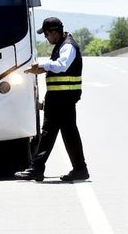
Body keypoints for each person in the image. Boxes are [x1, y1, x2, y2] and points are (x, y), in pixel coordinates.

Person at [15, 17, 89, 182]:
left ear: (54, 32)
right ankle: (79, 169)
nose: (46, 38)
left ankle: (37, 169)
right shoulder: (61, 45)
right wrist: (39, 69)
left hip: (63, 99)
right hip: (59, 99)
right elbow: (57, 69)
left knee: (50, 133)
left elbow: (62, 65)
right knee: (68, 134)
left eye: (47, 34)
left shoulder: (67, 46)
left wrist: (44, 65)